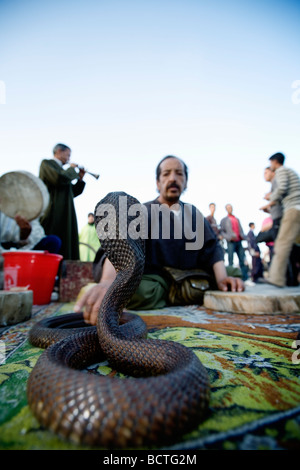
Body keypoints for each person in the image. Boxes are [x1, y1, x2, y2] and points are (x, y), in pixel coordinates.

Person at [75, 155, 244, 325]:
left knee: (234, 274)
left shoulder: (195, 214)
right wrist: (108, 283)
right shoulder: (142, 211)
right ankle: (183, 293)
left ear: (185, 182)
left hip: (189, 276)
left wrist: (222, 279)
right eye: (166, 174)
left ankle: (188, 290)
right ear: (157, 183)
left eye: (179, 174)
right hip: (156, 283)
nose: (173, 178)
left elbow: (212, 249)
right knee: (135, 290)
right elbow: (120, 247)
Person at [39, 143, 86, 260]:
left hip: (66, 213)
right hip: (53, 212)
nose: (69, 158)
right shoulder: (47, 164)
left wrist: (80, 179)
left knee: (66, 243)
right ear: (59, 151)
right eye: (68, 154)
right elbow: (58, 179)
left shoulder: (64, 172)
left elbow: (72, 193)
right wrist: (72, 169)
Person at [261, 152, 300, 287]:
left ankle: (276, 278)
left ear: (275, 162)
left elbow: (282, 188)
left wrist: (270, 198)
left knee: (282, 243)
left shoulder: (281, 171)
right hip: (296, 207)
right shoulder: (290, 171)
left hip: (293, 209)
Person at [220, 204, 249, 281]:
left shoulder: (237, 219)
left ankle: (245, 278)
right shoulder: (224, 220)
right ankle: (231, 277)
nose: (230, 209)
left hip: (239, 241)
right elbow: (222, 231)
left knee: (242, 260)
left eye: (230, 207)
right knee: (230, 260)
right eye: (228, 208)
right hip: (231, 242)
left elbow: (241, 230)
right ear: (226, 209)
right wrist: (228, 237)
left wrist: (243, 237)